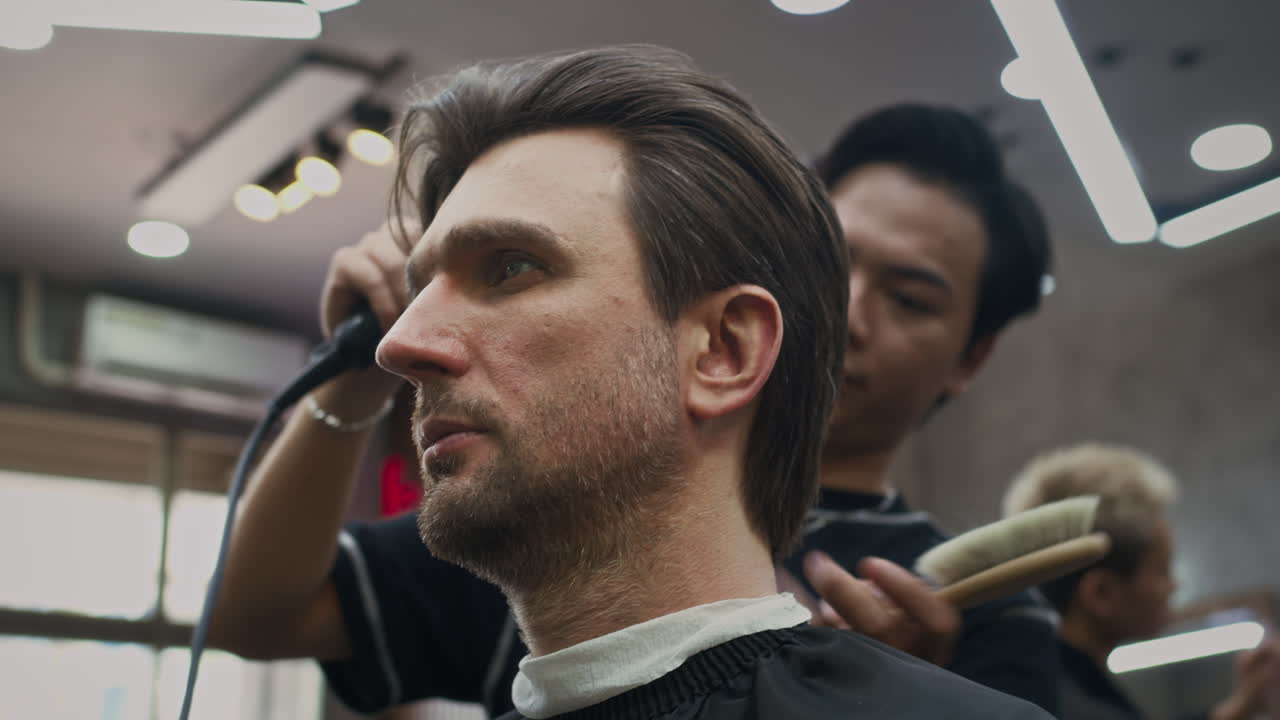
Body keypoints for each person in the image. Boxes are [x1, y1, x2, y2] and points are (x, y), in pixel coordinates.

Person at [210, 45, 1051, 720]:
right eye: (836, 263)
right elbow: (254, 613)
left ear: (724, 349)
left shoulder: (984, 614)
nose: (401, 343)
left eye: (511, 267)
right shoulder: (518, 505)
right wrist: (344, 387)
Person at [777, 103, 1059, 712]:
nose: (846, 314)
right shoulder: (606, 486)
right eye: (830, 259)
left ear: (970, 360)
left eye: (907, 298)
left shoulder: (990, 613)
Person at [1004, 443, 1280, 720]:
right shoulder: (1074, 706)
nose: (1174, 585)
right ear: (1101, 593)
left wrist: (1241, 706)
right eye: (1162, 569)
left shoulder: (1046, 689)